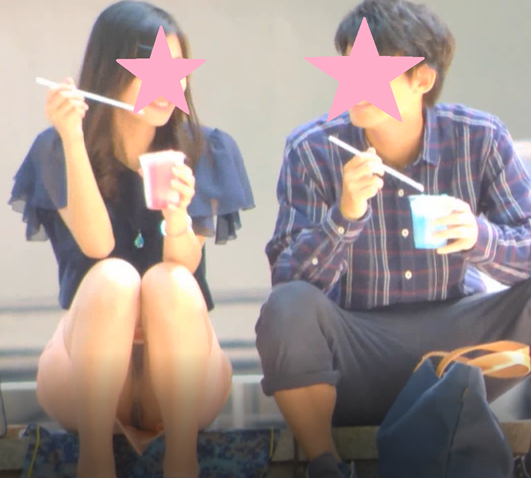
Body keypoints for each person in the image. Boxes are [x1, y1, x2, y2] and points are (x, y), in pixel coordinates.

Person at [255, 1, 531, 477]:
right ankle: (325, 464)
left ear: (422, 79)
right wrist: (343, 216)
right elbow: (287, 279)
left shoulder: (479, 138)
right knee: (287, 307)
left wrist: (480, 238)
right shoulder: (314, 149)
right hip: (355, 347)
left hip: (459, 342)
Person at [8, 2, 254, 478]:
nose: (169, 83)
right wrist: (73, 138)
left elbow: (185, 264)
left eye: (177, 69)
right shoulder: (58, 149)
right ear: (110, 72)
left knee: (170, 281)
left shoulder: (205, 149)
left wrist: (178, 214)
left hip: (182, 375)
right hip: (89, 375)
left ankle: (182, 461)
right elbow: (98, 245)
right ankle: (95, 459)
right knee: (115, 277)